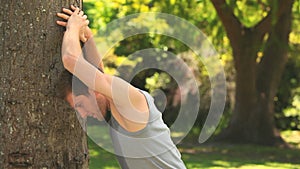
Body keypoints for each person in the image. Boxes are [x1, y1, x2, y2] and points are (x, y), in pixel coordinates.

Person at [56, 5, 187, 169]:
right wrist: (87, 36)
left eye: (80, 104)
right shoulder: (114, 104)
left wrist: (73, 26)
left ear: (93, 90)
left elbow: (70, 59)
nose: (82, 114)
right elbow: (98, 72)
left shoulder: (130, 101)